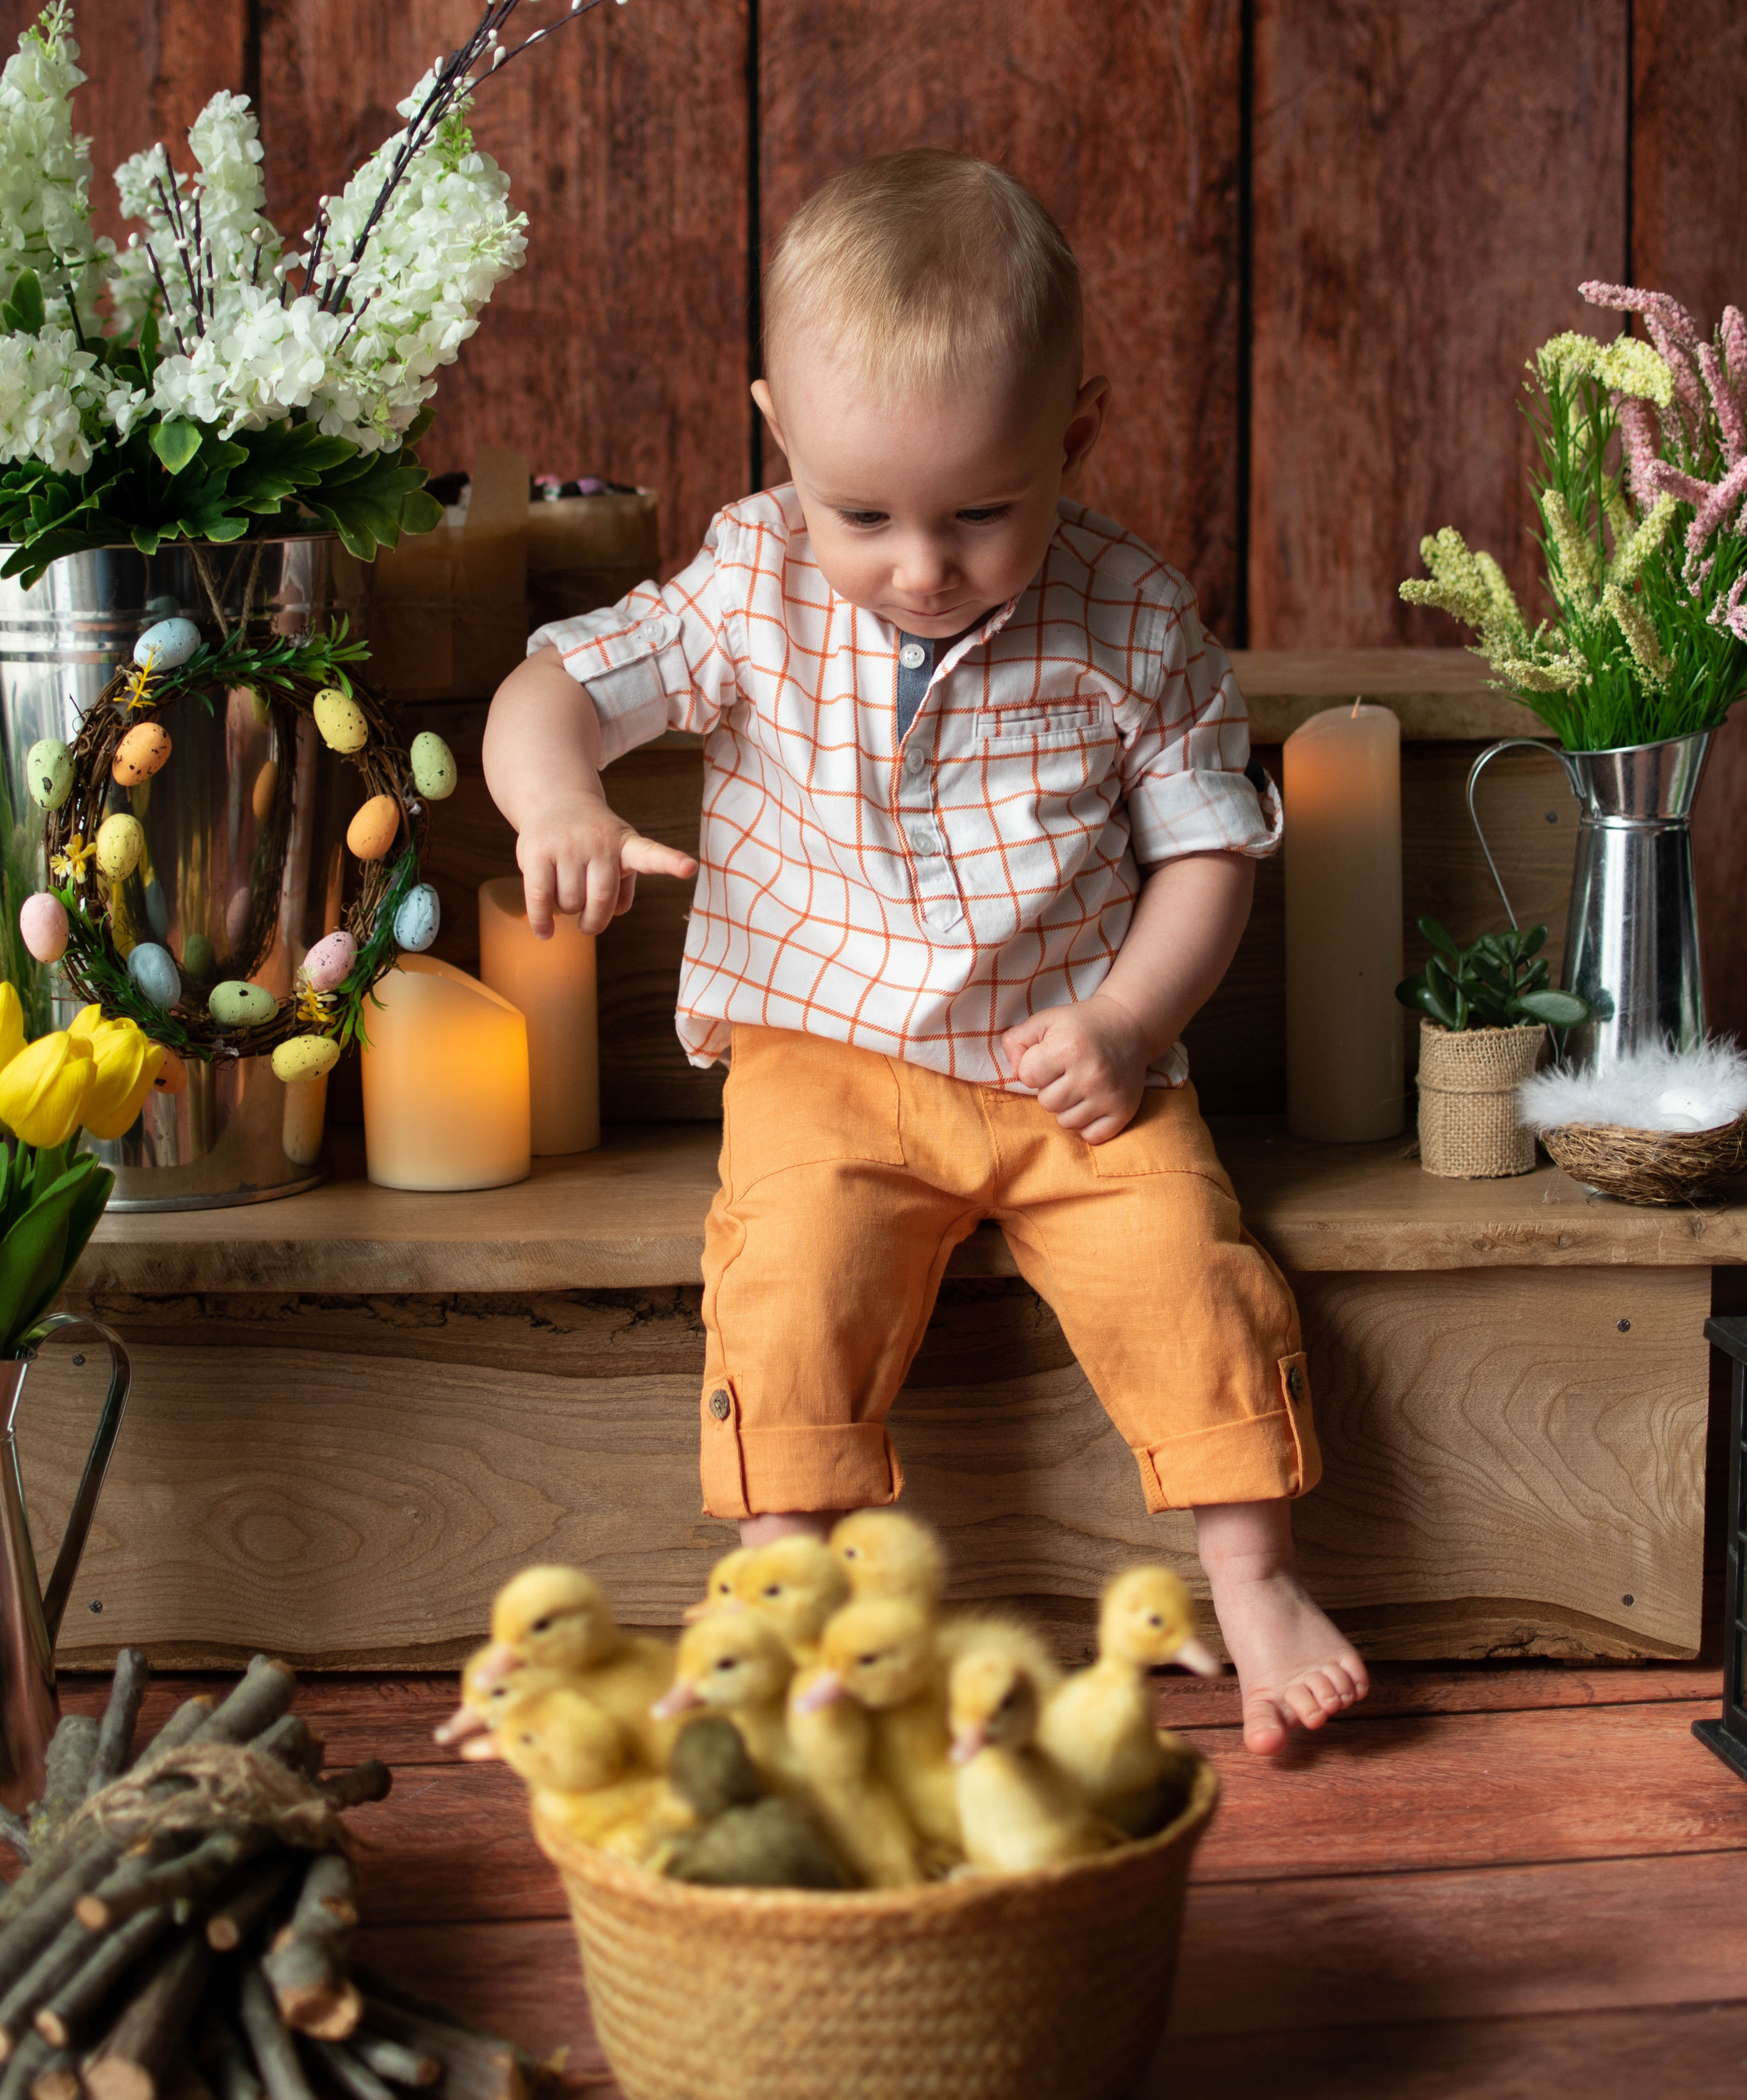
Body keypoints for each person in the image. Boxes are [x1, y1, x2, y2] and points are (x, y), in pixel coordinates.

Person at [483, 151, 1367, 1756]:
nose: (920, 564)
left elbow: (1207, 854)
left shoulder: (1129, 618)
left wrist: (1127, 1021)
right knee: (789, 1282)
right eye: (864, 514)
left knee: (1188, 1264)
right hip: (823, 1059)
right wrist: (557, 802)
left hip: (1066, 1063)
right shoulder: (746, 579)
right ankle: (786, 1581)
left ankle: (1249, 1573)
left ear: (1072, 438)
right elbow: (554, 690)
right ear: (779, 435)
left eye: (980, 511)